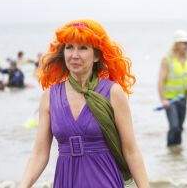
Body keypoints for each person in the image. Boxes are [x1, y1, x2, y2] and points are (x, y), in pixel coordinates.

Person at [19, 20, 149, 188]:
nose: (74, 55)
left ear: (96, 55)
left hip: (104, 180)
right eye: (69, 47)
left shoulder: (113, 93)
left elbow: (131, 151)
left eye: (83, 48)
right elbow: (39, 154)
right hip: (66, 180)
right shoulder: (50, 96)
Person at [158, 29, 187, 149]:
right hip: (170, 99)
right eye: (183, 42)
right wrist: (163, 99)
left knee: (180, 127)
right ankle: (170, 148)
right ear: (176, 44)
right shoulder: (167, 60)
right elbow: (161, 81)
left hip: (183, 98)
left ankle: (177, 153)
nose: (186, 45)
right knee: (174, 126)